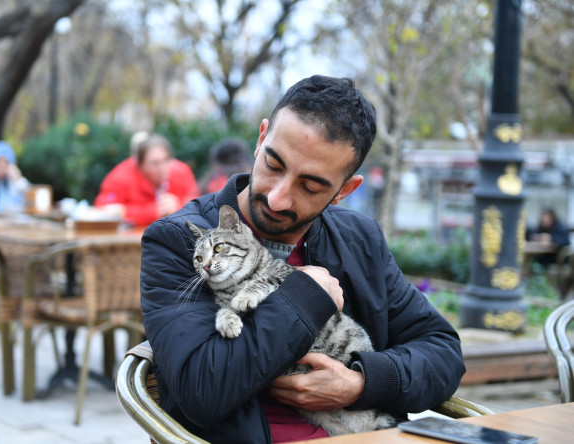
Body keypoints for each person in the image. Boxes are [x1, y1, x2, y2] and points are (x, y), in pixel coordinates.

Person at [140, 76, 465, 443]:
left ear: (345, 190)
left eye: (310, 186)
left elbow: (442, 352)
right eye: (274, 165)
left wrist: (360, 383)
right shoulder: (177, 241)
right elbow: (202, 389)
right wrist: (304, 296)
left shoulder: (360, 239)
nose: (278, 198)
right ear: (261, 139)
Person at [93, 133, 198, 227]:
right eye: (155, 163)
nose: (163, 168)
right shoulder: (120, 178)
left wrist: (178, 209)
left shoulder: (181, 172)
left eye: (166, 160)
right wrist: (152, 212)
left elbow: (198, 205)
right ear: (140, 165)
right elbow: (103, 211)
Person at [0, 140, 30, 213]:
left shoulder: (15, 184)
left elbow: (33, 200)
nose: (0, 169)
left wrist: (18, 180)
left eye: (4, 165)